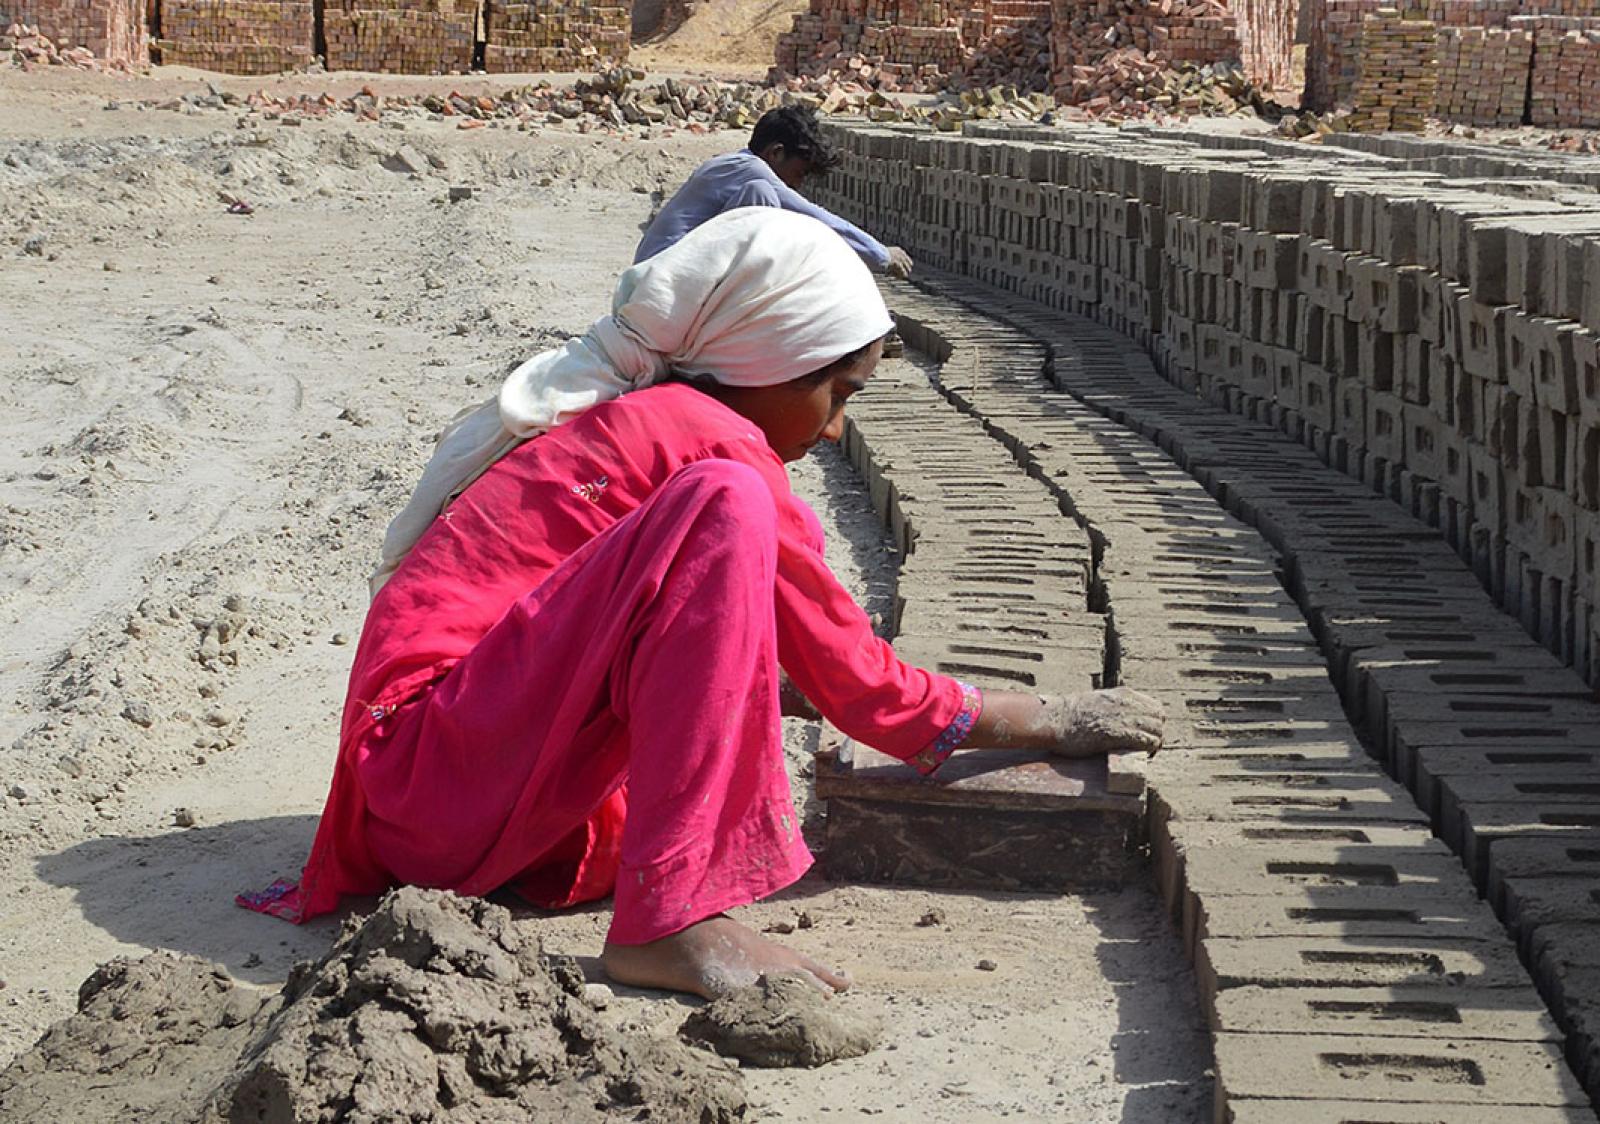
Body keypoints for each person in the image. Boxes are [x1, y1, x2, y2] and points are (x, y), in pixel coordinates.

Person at [240, 209, 1163, 999]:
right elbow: (865, 693)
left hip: (435, 782)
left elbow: (701, 653)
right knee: (730, 506)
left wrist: (766, 689)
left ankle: (659, 893)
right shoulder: (715, 451)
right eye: (837, 393)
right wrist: (1045, 716)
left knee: (727, 566)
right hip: (435, 784)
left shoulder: (649, 418)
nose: (837, 427)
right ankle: (666, 921)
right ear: (769, 362)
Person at [634, 104, 915, 279]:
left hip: (657, 280)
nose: (797, 185)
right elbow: (813, 218)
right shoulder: (750, 170)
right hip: (660, 283)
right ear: (776, 152)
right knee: (765, 202)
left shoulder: (729, 167)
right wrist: (879, 253)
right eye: (799, 173)